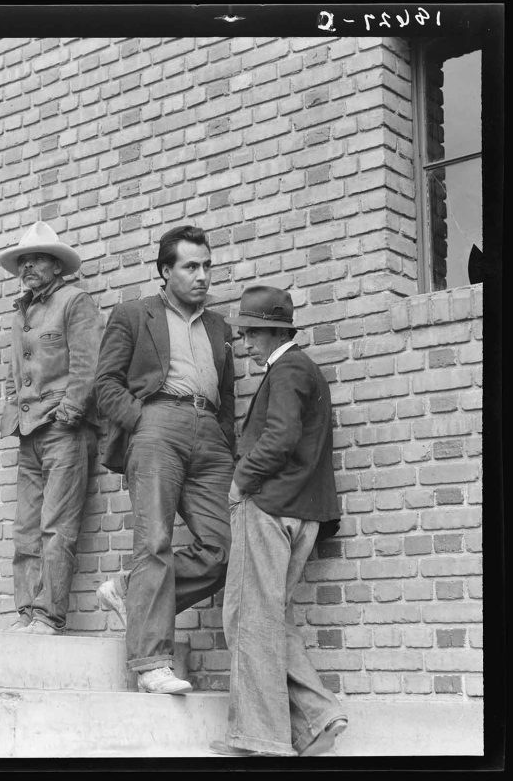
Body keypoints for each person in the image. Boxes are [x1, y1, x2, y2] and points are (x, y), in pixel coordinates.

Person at [94, 225, 235, 694]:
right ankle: (152, 663)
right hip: (157, 426)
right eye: (191, 266)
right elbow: (106, 384)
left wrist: (225, 443)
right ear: (165, 271)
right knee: (152, 542)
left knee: (226, 548)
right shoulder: (134, 315)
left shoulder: (218, 327)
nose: (202, 276)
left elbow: (229, 396)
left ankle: (129, 592)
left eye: (207, 266)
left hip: (210, 432)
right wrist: (141, 421)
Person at [209, 286, 347, 757]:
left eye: (249, 332)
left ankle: (259, 740)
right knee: (270, 618)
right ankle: (317, 720)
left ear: (272, 332)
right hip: (302, 509)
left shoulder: (287, 369)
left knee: (247, 619)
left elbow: (281, 435)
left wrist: (240, 481)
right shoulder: (302, 369)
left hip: (270, 507)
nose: (245, 342)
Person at [0, 222, 102, 635]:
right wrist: (13, 412)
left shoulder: (75, 302)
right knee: (26, 528)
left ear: (57, 265)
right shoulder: (21, 312)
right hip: (28, 433)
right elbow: (13, 374)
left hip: (63, 431)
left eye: (37, 259)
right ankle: (26, 613)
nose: (27, 267)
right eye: (23, 260)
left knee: (57, 526)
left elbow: (87, 365)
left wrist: (70, 412)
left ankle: (48, 616)